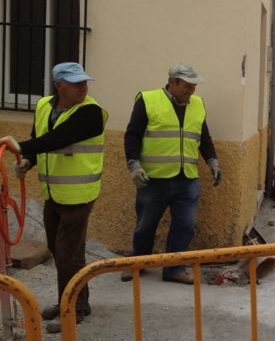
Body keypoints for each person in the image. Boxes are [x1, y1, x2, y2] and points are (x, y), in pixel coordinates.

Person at [0, 62, 107, 333]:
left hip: (79, 195)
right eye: (77, 83)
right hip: (54, 192)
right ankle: (74, 302)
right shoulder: (44, 106)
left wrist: (20, 147)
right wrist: (28, 161)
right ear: (59, 85)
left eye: (85, 82)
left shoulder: (91, 112)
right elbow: (41, 138)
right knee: (60, 250)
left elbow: (60, 138)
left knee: (67, 253)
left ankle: (72, 309)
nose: (83, 88)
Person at [122, 64, 222, 284]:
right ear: (172, 82)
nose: (192, 90)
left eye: (194, 86)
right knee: (145, 226)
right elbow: (132, 135)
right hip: (153, 180)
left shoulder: (197, 104)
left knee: (185, 226)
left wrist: (212, 162)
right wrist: (134, 166)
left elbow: (204, 138)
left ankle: (174, 269)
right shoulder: (148, 100)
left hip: (187, 179)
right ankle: (138, 263)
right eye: (187, 86)